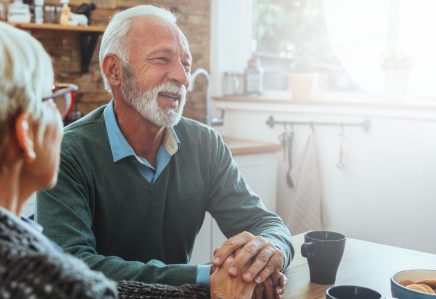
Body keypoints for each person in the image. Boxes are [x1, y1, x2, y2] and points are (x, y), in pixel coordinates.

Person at [0, 16, 254, 299]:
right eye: (53, 99)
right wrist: (212, 289)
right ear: (23, 133)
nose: (65, 114)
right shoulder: (46, 283)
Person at [37, 5, 294, 297]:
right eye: (162, 59)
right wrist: (207, 276)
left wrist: (268, 254)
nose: (183, 78)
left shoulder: (206, 144)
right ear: (114, 70)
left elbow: (266, 223)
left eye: (186, 64)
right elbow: (70, 264)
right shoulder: (66, 151)